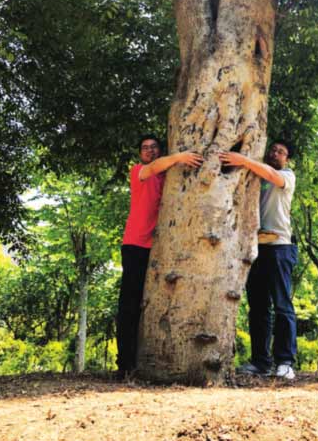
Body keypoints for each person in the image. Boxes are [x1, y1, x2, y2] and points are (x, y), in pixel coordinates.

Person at [116, 134, 203, 378]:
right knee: (130, 303)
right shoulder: (139, 171)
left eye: (154, 147)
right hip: (135, 245)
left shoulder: (168, 176)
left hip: (161, 248)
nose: (150, 151)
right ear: (140, 154)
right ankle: (124, 362)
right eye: (145, 148)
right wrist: (180, 157)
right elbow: (153, 167)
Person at [219, 139, 297, 380]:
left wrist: (243, 160)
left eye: (281, 152)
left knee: (283, 306)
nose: (275, 153)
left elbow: (273, 175)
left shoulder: (286, 176)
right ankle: (261, 362)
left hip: (279, 247)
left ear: (287, 159)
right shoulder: (255, 178)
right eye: (273, 150)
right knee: (259, 308)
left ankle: (285, 362)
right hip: (255, 248)